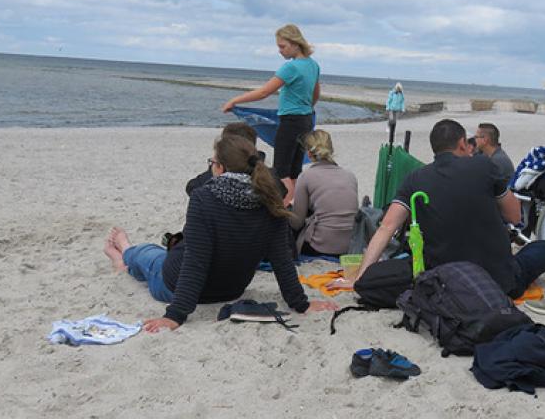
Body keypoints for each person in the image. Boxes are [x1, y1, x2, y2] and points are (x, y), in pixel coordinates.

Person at [103, 135, 337, 333]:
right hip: (231, 290)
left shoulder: (204, 198)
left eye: (212, 162)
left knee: (146, 253)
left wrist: (175, 316)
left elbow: (195, 262)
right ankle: (124, 258)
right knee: (160, 252)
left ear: (221, 168)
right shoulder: (270, 199)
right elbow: (281, 260)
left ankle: (123, 253)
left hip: (175, 285)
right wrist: (301, 304)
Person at [329, 119, 545, 299]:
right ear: (463, 143)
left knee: (392, 272)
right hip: (499, 282)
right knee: (543, 248)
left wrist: (358, 278)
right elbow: (514, 216)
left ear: (434, 148)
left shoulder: (415, 178)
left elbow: (386, 228)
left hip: (445, 281)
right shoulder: (484, 165)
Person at [221, 24, 320, 204]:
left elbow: (264, 92)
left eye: (282, 46)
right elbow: (315, 94)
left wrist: (235, 100)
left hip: (291, 122)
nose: (280, 51)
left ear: (295, 43)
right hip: (306, 120)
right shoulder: (313, 65)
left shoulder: (291, 67)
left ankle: (283, 207)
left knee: (281, 170)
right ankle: (293, 205)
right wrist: (306, 107)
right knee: (295, 169)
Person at [288, 130, 358, 257]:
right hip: (350, 245)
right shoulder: (350, 176)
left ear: (309, 153)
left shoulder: (306, 176)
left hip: (321, 245)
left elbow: (297, 223)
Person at [185, 122, 286, 198]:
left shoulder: (219, 172)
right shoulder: (266, 175)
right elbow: (282, 192)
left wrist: (215, 175)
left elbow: (192, 188)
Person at [475, 123, 515, 188]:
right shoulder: (485, 154)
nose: (474, 140)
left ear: (485, 140)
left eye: (476, 137)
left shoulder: (497, 161)